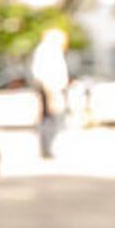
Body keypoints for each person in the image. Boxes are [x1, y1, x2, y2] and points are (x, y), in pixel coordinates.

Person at [31, 28, 69, 159]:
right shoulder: (49, 50)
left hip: (52, 88)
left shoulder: (47, 49)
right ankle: (47, 149)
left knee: (51, 119)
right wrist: (51, 94)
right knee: (51, 119)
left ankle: (47, 148)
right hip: (50, 88)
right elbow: (45, 74)